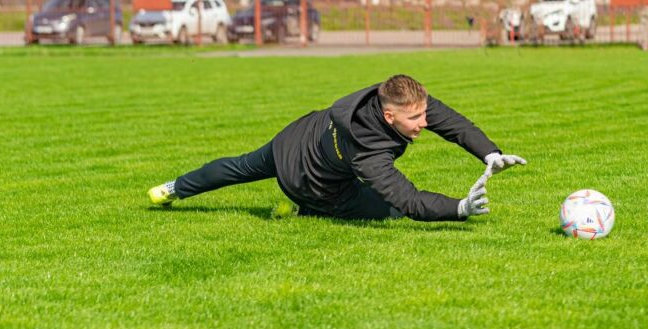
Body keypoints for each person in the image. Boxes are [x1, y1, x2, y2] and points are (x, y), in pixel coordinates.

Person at [148, 74, 526, 221]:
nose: (425, 123)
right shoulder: (369, 152)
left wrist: (490, 153)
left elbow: (452, 123)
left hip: (294, 136)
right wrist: (457, 208)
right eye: (416, 120)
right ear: (390, 117)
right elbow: (408, 199)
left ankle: (173, 189)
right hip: (305, 180)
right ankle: (308, 209)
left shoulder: (391, 98)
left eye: (424, 113)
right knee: (388, 211)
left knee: (241, 166)